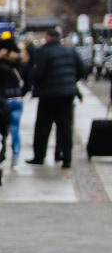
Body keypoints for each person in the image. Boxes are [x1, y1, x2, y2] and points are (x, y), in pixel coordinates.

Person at [27, 26, 86, 168]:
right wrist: (70, 81)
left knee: (43, 126)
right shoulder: (71, 51)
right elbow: (82, 69)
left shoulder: (44, 52)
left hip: (48, 94)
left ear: (47, 37)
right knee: (65, 127)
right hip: (67, 94)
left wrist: (38, 83)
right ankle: (66, 159)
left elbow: (38, 74)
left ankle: (39, 156)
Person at [0, 32, 27, 166]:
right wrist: (22, 93)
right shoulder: (18, 64)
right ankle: (15, 156)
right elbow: (28, 79)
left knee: (1, 129)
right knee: (15, 129)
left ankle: (0, 154)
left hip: (3, 100)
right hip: (17, 99)